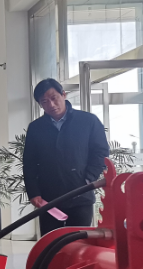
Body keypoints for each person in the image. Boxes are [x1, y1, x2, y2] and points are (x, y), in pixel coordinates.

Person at [23, 78, 110, 235]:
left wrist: (89, 178)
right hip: (49, 198)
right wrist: (33, 192)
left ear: (63, 94)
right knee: (51, 242)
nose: (51, 104)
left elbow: (101, 152)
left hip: (81, 194)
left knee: (79, 242)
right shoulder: (36, 128)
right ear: (40, 105)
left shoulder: (88, 121)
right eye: (44, 102)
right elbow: (29, 162)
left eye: (54, 98)